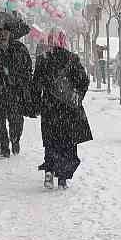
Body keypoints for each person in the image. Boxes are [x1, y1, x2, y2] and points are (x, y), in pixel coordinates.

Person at [32, 31, 92, 189]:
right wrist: (76, 96)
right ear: (65, 42)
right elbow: (84, 81)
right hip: (67, 112)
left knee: (51, 142)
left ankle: (49, 170)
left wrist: (37, 104)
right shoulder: (72, 59)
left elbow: (35, 86)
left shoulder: (43, 60)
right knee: (67, 143)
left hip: (49, 109)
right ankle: (63, 178)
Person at [0, 26, 33, 159]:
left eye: (6, 32)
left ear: (11, 33)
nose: (3, 35)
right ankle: (3, 148)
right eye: (0, 32)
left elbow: (28, 69)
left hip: (15, 91)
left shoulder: (19, 48)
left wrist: (17, 77)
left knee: (16, 119)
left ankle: (15, 139)